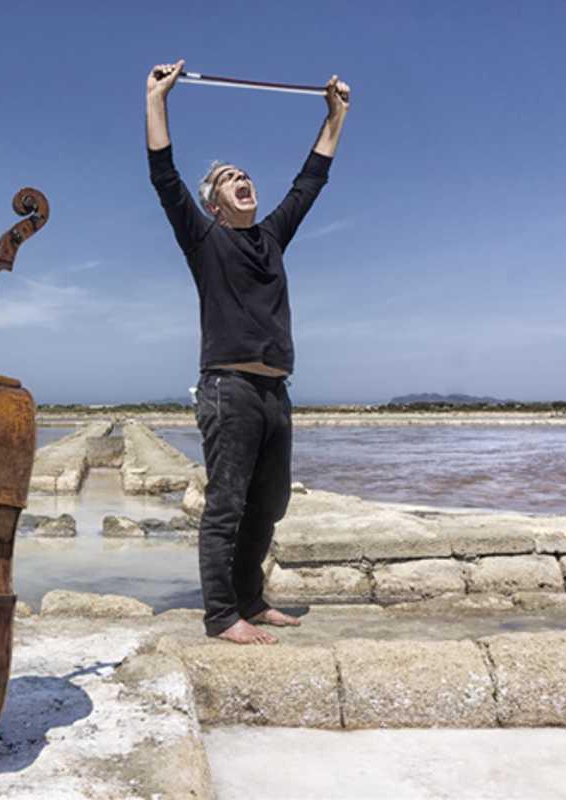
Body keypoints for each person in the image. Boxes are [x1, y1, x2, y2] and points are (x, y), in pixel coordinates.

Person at [146, 59, 350, 644]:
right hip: (228, 390)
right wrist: (157, 99)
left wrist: (335, 116)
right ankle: (220, 616)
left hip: (274, 392)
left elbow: (310, 180)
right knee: (226, 505)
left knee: (269, 505)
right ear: (214, 203)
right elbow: (164, 176)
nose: (244, 179)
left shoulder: (271, 236)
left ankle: (251, 600)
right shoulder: (205, 240)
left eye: (246, 174)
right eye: (231, 177)